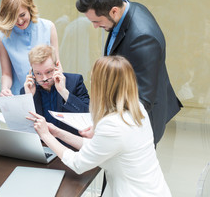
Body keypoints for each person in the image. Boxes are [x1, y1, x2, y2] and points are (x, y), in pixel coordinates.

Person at [27, 56, 172, 197]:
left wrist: (45, 135)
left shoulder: (112, 125)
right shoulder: (137, 109)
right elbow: (96, 147)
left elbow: (78, 163)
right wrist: (57, 132)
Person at [76, 0, 182, 145]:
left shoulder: (143, 38)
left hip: (140, 121)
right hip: (120, 110)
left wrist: (106, 126)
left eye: (97, 21)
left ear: (114, 11)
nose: (95, 26)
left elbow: (143, 100)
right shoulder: (128, 8)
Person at [0, 0, 61, 96]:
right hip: (21, 95)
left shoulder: (48, 27)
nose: (20, 21)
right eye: (13, 18)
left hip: (50, 93)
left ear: (29, 8)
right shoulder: (3, 38)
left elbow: (57, 64)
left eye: (22, 15)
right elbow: (6, 74)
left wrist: (61, 88)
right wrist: (5, 89)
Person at [20, 44, 89, 135]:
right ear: (31, 71)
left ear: (57, 65)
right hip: (42, 144)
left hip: (69, 144)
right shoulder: (27, 89)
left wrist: (64, 92)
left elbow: (87, 114)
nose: (44, 78)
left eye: (48, 72)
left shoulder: (74, 81)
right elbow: (22, 126)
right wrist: (28, 98)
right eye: (38, 73)